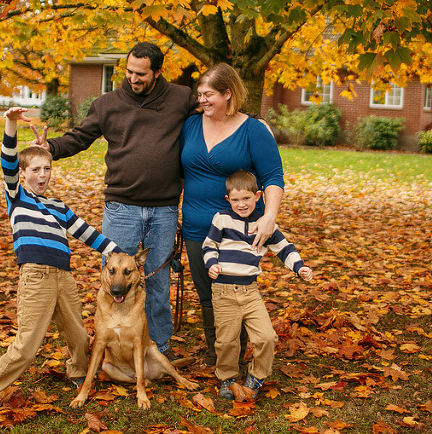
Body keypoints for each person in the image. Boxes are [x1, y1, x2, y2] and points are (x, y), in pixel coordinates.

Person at [30, 42, 197, 356]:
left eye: (141, 74)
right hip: (121, 208)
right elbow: (79, 137)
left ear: (158, 72)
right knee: (113, 281)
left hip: (164, 208)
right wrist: (48, 147)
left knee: (158, 282)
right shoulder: (108, 104)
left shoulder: (181, 98)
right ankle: (110, 345)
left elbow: (213, 112)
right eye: (130, 72)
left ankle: (159, 348)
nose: (133, 79)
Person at [0, 106, 125, 414]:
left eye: (47, 169)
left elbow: (88, 234)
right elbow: (8, 162)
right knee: (27, 344)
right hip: (36, 276)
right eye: (35, 170)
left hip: (63, 277)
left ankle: (78, 374)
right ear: (23, 174)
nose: (42, 175)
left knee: (79, 334)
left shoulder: (57, 205)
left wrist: (120, 253)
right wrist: (10, 125)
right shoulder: (17, 196)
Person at [179, 63, 284, 366]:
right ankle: (218, 355)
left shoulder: (253, 129)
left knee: (234, 293)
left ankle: (233, 357)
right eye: (200, 94)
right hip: (198, 228)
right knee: (207, 294)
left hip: (240, 229)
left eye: (209, 94)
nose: (203, 100)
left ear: (228, 93)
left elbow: (273, 176)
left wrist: (270, 217)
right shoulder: (190, 126)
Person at [204, 170, 313, 399]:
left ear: (258, 196)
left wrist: (299, 267)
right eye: (235, 200)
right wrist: (211, 263)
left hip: (250, 292)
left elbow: (285, 248)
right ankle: (228, 378)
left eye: (246, 198)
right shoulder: (222, 218)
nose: (241, 204)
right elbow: (209, 244)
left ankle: (256, 377)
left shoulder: (265, 224)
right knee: (226, 341)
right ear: (228, 200)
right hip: (223, 291)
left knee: (266, 337)